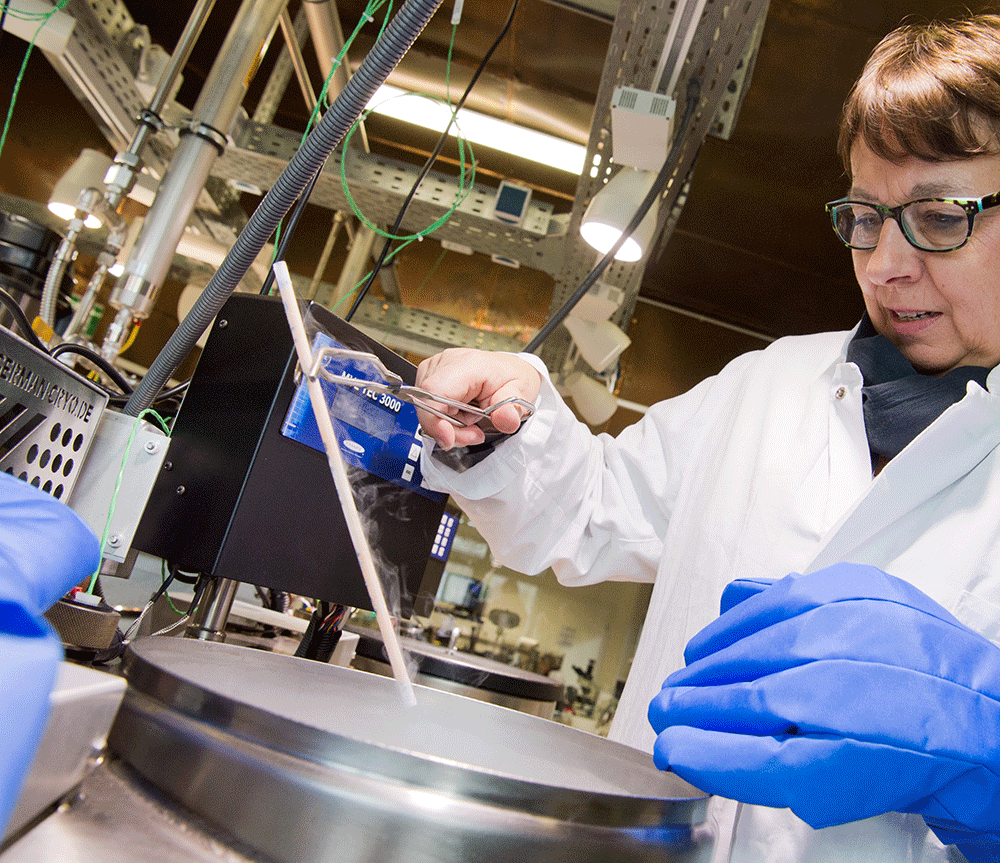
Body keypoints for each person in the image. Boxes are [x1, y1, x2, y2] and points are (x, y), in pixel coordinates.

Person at [413, 14, 1000, 863]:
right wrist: (506, 418)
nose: (885, 265)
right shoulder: (767, 387)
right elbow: (591, 509)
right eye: (865, 218)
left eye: (941, 217)